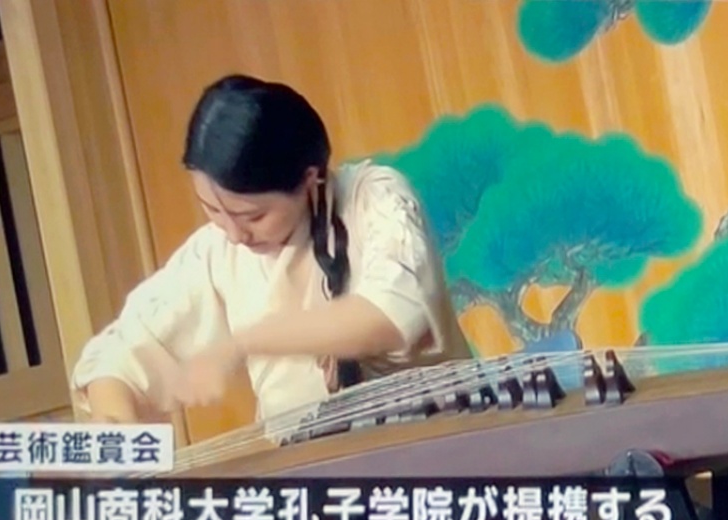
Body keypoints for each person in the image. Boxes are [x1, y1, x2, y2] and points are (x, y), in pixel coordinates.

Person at [70, 74, 471, 424]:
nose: (234, 234)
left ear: (309, 179)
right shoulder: (216, 253)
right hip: (314, 476)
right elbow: (121, 352)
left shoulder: (375, 197)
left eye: (253, 215)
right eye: (212, 210)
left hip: (440, 454)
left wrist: (243, 342)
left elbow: (390, 315)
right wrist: (115, 423)